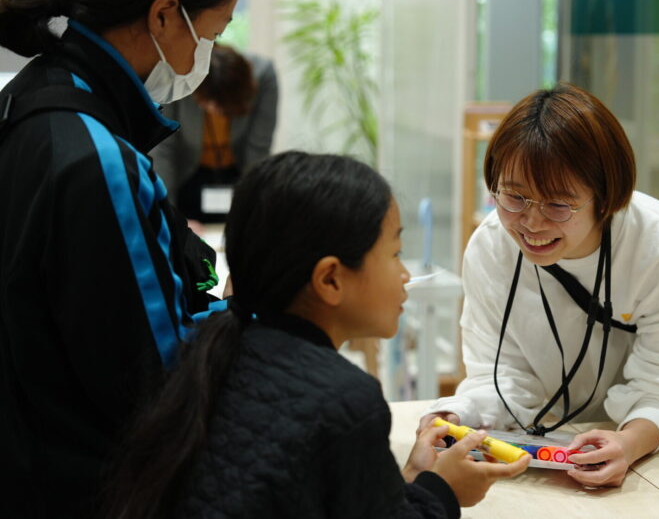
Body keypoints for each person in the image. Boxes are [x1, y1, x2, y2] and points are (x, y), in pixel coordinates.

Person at [105, 151, 529, 519]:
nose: (404, 275)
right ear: (330, 279)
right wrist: (444, 490)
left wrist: (412, 479)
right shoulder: (345, 400)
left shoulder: (213, 351)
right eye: (395, 253)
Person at [0, 0, 244, 517]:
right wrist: (250, 314)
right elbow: (159, 379)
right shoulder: (97, 159)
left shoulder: (31, 97)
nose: (206, 57)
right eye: (212, 34)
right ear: (164, 15)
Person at [419, 83, 659, 488]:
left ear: (605, 198)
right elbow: (498, 377)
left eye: (557, 204)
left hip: (646, 450)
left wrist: (627, 444)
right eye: (514, 197)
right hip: (547, 442)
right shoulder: (491, 247)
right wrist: (455, 416)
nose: (532, 223)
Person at [150, 43, 279, 224]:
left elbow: (258, 148)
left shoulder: (263, 76)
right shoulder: (176, 78)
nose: (217, 113)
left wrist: (254, 212)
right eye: (211, 106)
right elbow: (164, 150)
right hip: (187, 175)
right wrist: (171, 217)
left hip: (238, 173)